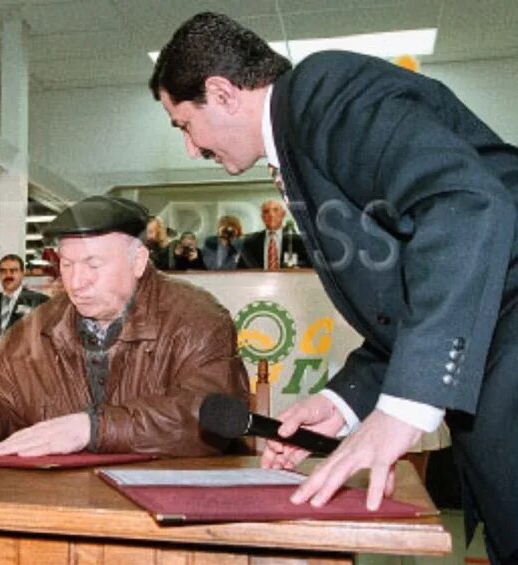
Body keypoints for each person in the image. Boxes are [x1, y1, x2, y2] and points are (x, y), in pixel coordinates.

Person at [150, 12, 518, 562]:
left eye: (183, 124)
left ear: (222, 93)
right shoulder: (302, 141)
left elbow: (466, 207)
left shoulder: (322, 91)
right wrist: (342, 402)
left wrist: (407, 404)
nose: (189, 147)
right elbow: (410, 300)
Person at [0, 195, 249, 456]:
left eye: (93, 264)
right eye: (67, 264)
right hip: (69, 506)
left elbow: (206, 417)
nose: (76, 282)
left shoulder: (197, 320)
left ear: (138, 261)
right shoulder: (39, 326)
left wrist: (93, 429)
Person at [238, 200, 310, 269]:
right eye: (266, 212)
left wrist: (299, 268)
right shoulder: (250, 242)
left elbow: (309, 264)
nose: (271, 215)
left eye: (275, 210)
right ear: (262, 217)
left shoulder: (298, 241)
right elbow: (242, 269)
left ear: (283, 214)